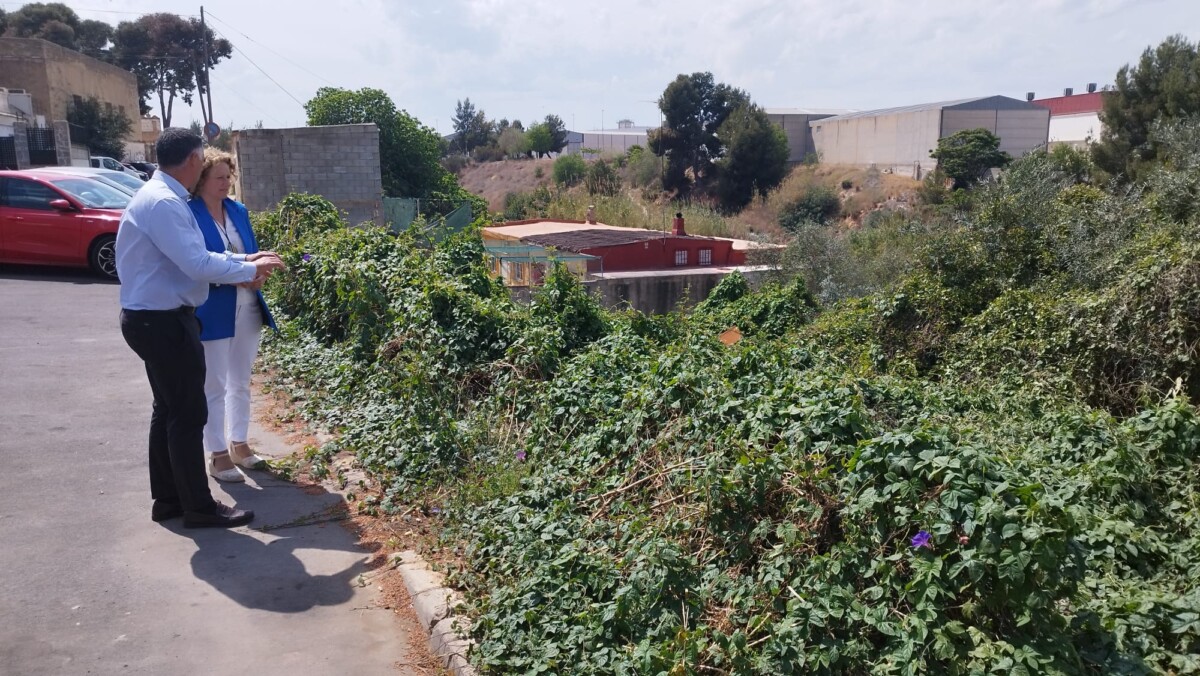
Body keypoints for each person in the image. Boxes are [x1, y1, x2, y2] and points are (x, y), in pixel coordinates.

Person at [117, 128, 285, 528]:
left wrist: (244, 257)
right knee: (189, 413)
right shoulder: (165, 204)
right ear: (193, 160)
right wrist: (249, 268)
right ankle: (199, 507)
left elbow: (198, 254)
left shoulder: (162, 198)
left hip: (153, 318)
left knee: (169, 411)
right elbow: (197, 264)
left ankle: (170, 500)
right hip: (162, 321)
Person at [188, 149, 276, 483]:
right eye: (219, 177)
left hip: (248, 304)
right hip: (213, 307)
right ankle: (218, 454)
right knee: (215, 383)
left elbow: (250, 250)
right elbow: (198, 262)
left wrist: (258, 274)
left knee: (240, 380)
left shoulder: (237, 210)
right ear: (202, 181)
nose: (226, 183)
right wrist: (240, 271)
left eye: (229, 176)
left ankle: (240, 444)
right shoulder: (189, 213)